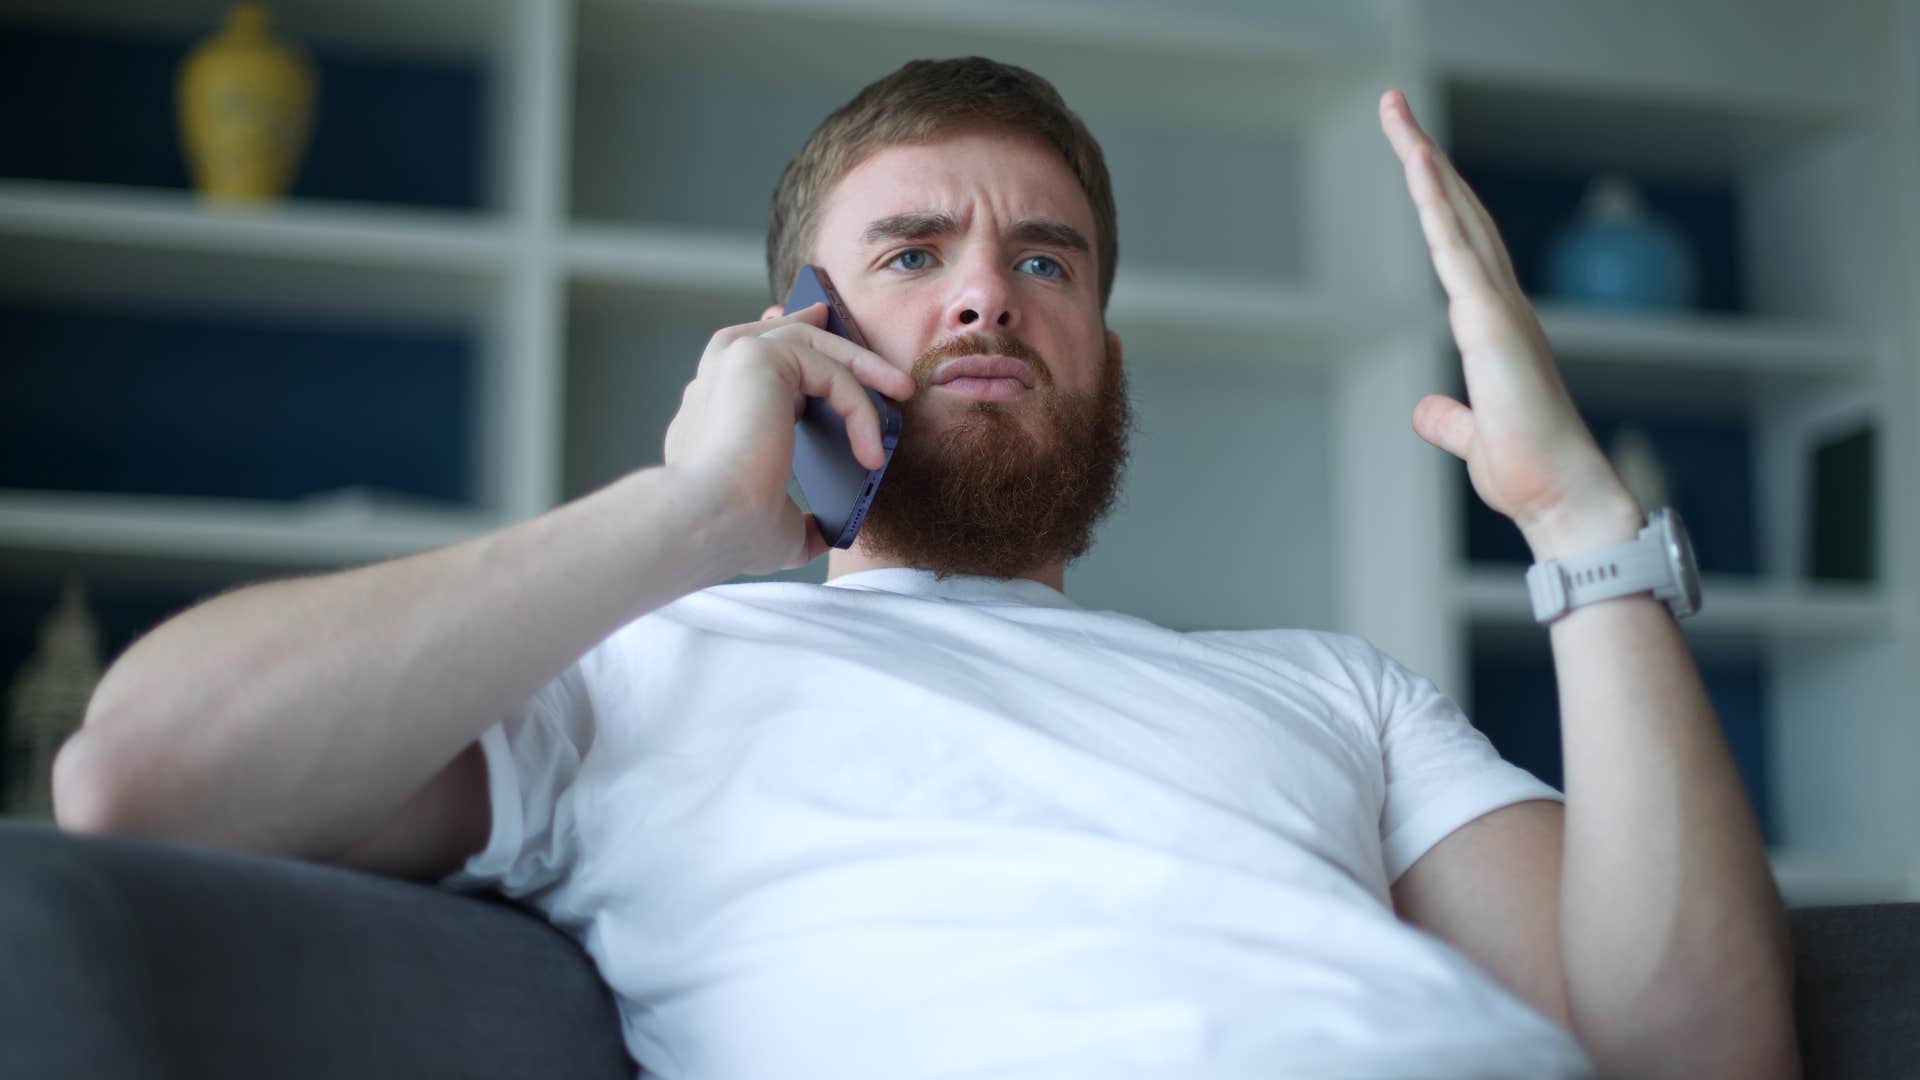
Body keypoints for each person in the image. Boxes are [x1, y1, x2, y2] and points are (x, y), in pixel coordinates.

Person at [52, 58, 1797, 1079]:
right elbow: (137, 776)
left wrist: (1585, 533)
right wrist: (687, 517)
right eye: (911, 252)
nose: (987, 294)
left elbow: (1700, 1051)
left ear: (1104, 351)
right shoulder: (640, 663)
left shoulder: (1329, 688)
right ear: (792, 335)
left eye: (1050, 261)